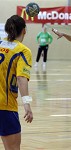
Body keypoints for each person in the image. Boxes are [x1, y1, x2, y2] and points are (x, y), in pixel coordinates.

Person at [0, 15, 33, 150]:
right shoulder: (23, 51)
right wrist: (27, 104)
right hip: (5, 106)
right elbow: (21, 78)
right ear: (24, 30)